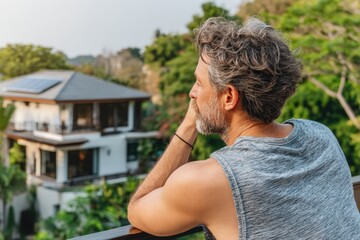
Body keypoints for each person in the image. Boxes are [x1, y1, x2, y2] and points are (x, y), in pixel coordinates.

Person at [127, 17, 360, 240]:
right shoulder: (321, 135)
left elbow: (137, 208)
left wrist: (189, 124)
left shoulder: (211, 180)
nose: (192, 93)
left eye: (199, 82)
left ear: (229, 96)